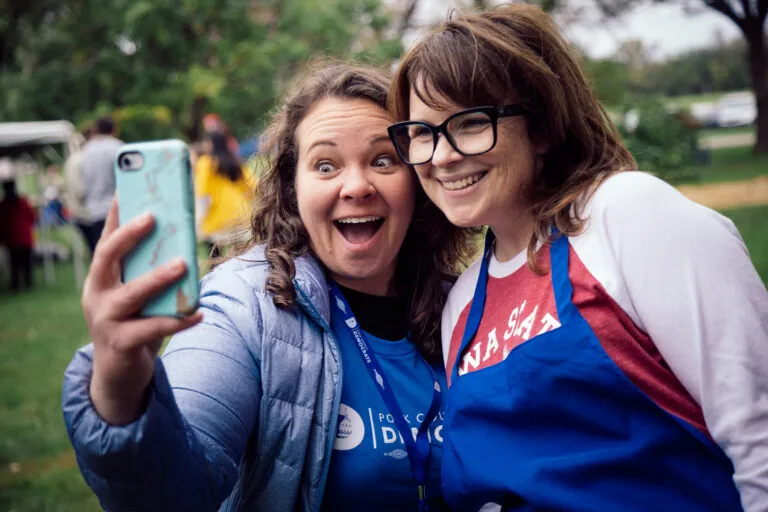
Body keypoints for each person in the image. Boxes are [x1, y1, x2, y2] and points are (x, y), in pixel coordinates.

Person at [387, 5, 768, 511]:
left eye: (472, 122)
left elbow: (758, 431)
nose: (441, 155)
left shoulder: (625, 216)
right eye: (422, 132)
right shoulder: (461, 304)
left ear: (542, 128)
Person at [62, 62, 474, 511]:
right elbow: (176, 491)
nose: (356, 186)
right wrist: (122, 388)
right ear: (292, 189)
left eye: (382, 160)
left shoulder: (470, 303)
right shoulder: (243, 306)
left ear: (416, 180)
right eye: (325, 165)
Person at [194, 130, 253, 258]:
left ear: (211, 143)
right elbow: (251, 187)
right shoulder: (236, 161)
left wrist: (199, 219)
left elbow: (202, 192)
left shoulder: (206, 163)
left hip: (218, 218)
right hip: (241, 215)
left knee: (215, 260)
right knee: (243, 260)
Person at [81, 115, 122, 254]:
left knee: (101, 254)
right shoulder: (118, 147)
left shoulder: (87, 149)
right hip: (116, 209)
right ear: (114, 129)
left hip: (94, 210)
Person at [0, 180, 36, 291]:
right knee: (26, 264)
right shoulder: (22, 202)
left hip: (14, 239)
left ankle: (17, 285)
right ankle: (27, 283)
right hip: (23, 238)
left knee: (15, 265)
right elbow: (32, 217)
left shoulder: (4, 205)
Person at [63, 129, 92, 246]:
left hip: (78, 211)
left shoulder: (70, 161)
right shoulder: (79, 160)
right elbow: (80, 190)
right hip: (85, 213)